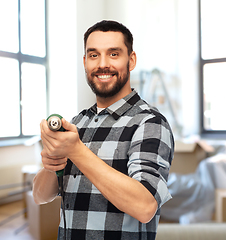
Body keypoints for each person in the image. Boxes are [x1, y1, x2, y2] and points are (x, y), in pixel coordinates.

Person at [33, 20, 174, 240]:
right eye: (93, 55)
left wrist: (76, 150)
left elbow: (145, 206)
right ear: (85, 62)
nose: (102, 64)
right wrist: (52, 162)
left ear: (131, 60)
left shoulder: (150, 122)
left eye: (114, 54)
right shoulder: (77, 122)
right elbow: (40, 196)